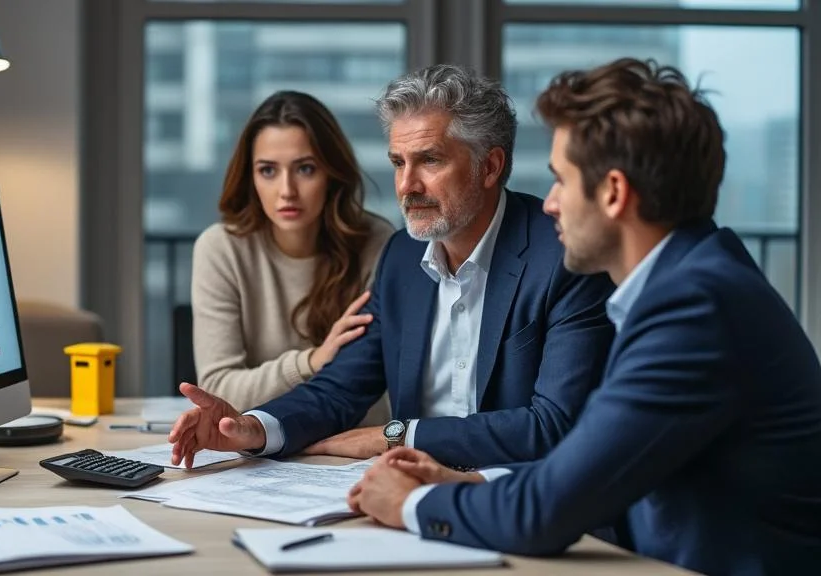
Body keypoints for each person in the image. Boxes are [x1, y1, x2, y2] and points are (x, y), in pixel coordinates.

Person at [349, 58, 821, 575]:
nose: (549, 204)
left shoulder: (693, 311)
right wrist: (466, 483)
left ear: (614, 193)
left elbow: (546, 511)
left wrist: (407, 503)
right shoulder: (694, 279)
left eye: (561, 180)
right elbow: (586, 472)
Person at [169, 64, 616, 470]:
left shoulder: (563, 256)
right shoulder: (402, 255)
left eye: (430, 160)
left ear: (490, 166)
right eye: (398, 162)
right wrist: (253, 429)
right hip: (406, 489)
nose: (406, 185)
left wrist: (396, 437)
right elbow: (341, 388)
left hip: (515, 496)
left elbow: (554, 424)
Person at [190, 90, 394, 425]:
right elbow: (217, 389)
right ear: (250, 177)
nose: (287, 190)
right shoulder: (220, 249)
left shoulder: (376, 242)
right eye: (268, 170)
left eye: (306, 169)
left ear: (332, 173)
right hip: (259, 446)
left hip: (352, 445)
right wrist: (312, 362)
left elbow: (367, 382)